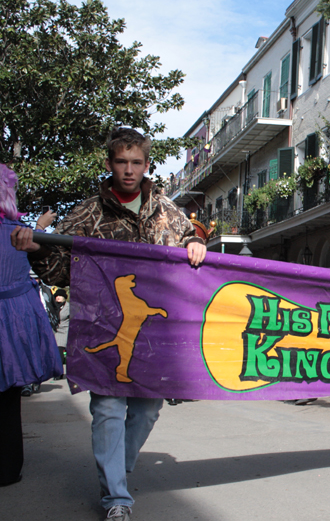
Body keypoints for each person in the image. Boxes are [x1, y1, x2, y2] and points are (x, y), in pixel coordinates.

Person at [10, 128, 207, 521]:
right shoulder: (86, 214)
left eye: (136, 162)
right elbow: (60, 270)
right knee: (107, 412)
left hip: (153, 338)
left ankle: (117, 468)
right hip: (100, 325)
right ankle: (116, 496)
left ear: (146, 165)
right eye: (121, 162)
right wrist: (36, 249)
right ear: (109, 164)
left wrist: (196, 243)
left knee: (147, 412)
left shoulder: (168, 212)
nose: (129, 170)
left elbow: (191, 246)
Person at [1, 163, 63, 487]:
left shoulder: (19, 232)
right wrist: (39, 228)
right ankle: (8, 468)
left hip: (12, 315)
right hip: (16, 319)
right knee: (9, 400)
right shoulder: (20, 231)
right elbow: (48, 263)